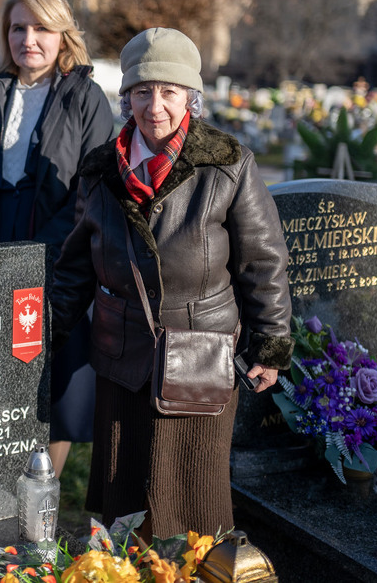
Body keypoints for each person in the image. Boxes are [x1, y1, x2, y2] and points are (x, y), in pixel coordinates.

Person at [50, 27, 293, 537]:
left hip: (199, 352)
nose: (154, 106)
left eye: (168, 91)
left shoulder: (227, 163)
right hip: (122, 355)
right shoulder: (99, 171)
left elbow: (262, 260)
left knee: (195, 499)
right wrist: (45, 335)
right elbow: (75, 266)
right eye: (142, 91)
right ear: (126, 98)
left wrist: (269, 345)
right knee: (125, 497)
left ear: (191, 97)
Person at [0, 0, 114, 476]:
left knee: (52, 386)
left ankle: (45, 495)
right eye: (19, 27)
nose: (29, 39)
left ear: (63, 35)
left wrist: (36, 254)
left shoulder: (85, 97)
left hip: (58, 257)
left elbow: (92, 187)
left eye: (41, 28)